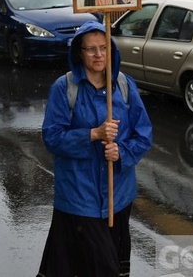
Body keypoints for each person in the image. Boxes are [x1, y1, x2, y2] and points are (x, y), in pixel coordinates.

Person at [37, 20, 152, 276]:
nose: (99, 55)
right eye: (91, 49)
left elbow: (143, 134)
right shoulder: (64, 88)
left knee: (110, 261)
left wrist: (122, 152)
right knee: (100, 267)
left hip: (117, 196)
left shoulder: (123, 85)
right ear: (79, 52)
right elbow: (52, 138)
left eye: (103, 48)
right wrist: (92, 134)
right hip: (79, 197)